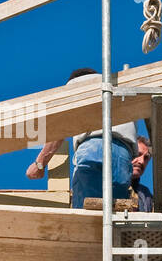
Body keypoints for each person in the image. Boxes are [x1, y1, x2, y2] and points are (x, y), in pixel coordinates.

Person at [26, 68, 144, 209]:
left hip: (93, 146)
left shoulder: (78, 85)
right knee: (116, 215)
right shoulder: (118, 88)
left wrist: (39, 164)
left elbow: (61, 127)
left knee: (85, 211)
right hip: (123, 155)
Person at [129, 134, 154, 212]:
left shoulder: (146, 194)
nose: (142, 161)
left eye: (146, 158)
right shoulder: (107, 186)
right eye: (138, 154)